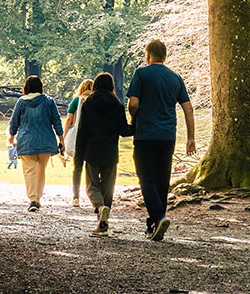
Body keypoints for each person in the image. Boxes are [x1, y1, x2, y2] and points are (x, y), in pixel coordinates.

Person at [127, 39, 196, 241]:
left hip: (146, 135)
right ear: (165, 55)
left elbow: (133, 103)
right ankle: (155, 223)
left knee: (146, 178)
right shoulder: (176, 78)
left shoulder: (141, 73)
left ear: (148, 55)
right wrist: (191, 137)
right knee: (162, 180)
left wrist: (134, 118)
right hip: (168, 136)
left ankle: (159, 216)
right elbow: (188, 108)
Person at [75, 72, 132, 237]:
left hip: (91, 151)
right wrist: (136, 125)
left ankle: (100, 209)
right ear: (111, 86)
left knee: (92, 186)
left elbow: (82, 131)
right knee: (108, 188)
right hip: (110, 152)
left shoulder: (88, 104)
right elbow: (123, 130)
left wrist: (78, 157)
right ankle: (103, 221)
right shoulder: (117, 105)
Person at [7, 75, 64, 212]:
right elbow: (56, 120)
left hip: (26, 141)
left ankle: (32, 198)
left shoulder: (21, 102)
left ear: (26, 87)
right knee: (40, 171)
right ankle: (38, 198)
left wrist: (12, 135)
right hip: (45, 140)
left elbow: (14, 121)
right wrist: (61, 138)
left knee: (29, 171)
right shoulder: (49, 101)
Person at [63, 79, 93, 207]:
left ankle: (76, 197)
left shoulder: (77, 100)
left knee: (77, 167)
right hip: (92, 136)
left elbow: (69, 118)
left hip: (78, 136)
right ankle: (94, 196)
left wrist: (64, 136)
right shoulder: (95, 100)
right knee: (91, 167)